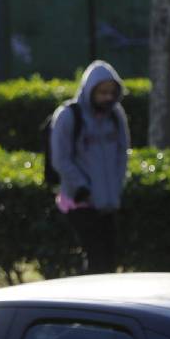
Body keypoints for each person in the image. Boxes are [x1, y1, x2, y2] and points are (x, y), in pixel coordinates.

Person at [50, 60, 130, 274]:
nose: (107, 98)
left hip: (108, 201)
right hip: (80, 202)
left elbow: (122, 154)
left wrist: (115, 187)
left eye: (111, 92)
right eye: (101, 92)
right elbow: (60, 158)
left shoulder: (115, 116)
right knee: (95, 259)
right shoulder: (68, 116)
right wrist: (81, 186)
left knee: (109, 259)